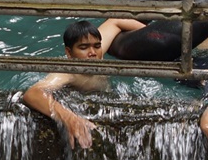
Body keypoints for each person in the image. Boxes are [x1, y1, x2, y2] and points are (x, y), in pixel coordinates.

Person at [21, 17, 145, 147]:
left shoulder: (97, 55)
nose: (92, 53)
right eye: (83, 47)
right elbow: (33, 93)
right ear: (69, 53)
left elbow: (114, 22)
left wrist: (155, 35)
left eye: (97, 46)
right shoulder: (68, 73)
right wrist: (69, 118)